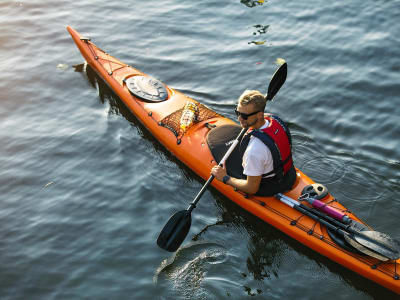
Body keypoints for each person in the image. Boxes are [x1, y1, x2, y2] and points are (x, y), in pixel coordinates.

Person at [211, 90, 297, 196]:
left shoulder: (254, 151)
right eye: (237, 113)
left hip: (268, 187)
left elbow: (251, 188)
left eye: (244, 116)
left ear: (260, 115)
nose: (239, 118)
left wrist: (225, 178)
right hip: (289, 175)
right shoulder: (274, 120)